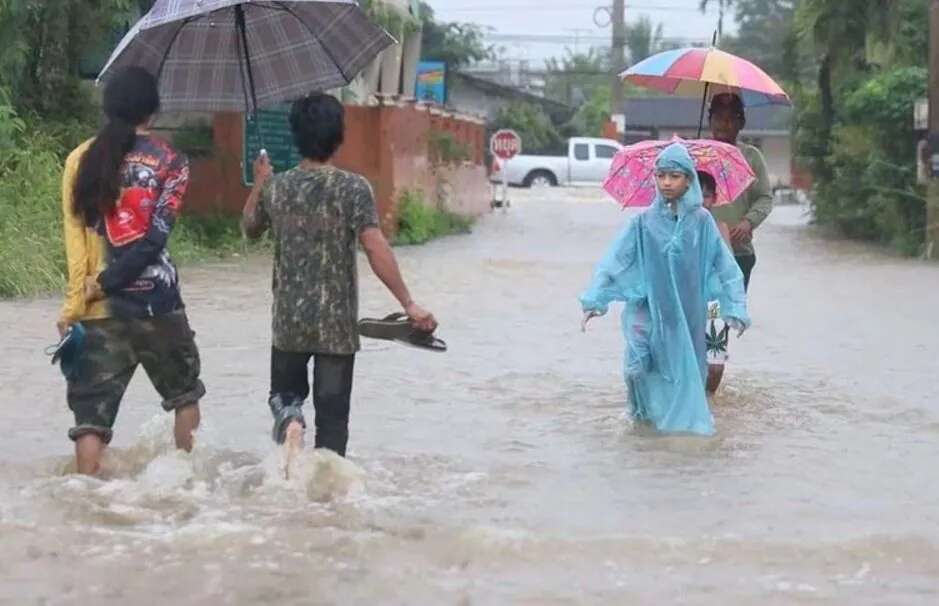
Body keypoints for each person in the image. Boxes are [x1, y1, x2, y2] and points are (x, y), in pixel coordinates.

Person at [241, 93, 438, 458]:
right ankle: (328, 505)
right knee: (333, 424)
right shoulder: (353, 188)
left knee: (284, 399)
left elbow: (249, 228)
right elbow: (376, 247)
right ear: (338, 136)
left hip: (289, 323)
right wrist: (408, 303)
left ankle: (291, 422)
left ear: (297, 136)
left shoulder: (277, 187)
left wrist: (260, 182)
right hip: (336, 328)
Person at [59, 66, 205, 475]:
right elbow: (154, 240)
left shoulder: (79, 160)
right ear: (153, 110)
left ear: (108, 107)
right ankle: (183, 484)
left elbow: (76, 245)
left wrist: (75, 305)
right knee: (185, 396)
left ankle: (84, 498)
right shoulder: (172, 161)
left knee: (90, 419)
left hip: (98, 309)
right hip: (158, 305)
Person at [580, 143, 750, 435]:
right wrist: (595, 300)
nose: (667, 182)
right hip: (647, 308)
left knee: (684, 372)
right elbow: (616, 261)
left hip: (688, 314)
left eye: (674, 176)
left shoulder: (702, 223)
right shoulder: (642, 223)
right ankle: (642, 418)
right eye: (661, 176)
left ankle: (676, 434)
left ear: (688, 180)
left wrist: (735, 308)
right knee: (636, 367)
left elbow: (725, 268)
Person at [707, 92, 773, 291]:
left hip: (739, 253)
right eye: (718, 118)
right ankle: (714, 322)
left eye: (730, 119)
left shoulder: (752, 157)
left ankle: (727, 323)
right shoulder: (698, 155)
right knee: (711, 308)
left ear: (741, 123)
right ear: (709, 121)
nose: (723, 125)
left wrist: (748, 222)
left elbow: (764, 198)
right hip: (704, 250)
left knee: (734, 309)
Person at [698, 170, 732, 395]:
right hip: (683, 303)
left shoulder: (720, 228)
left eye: (707, 195)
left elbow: (730, 272)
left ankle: (709, 402)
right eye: (696, 194)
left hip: (714, 306)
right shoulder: (671, 229)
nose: (701, 201)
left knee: (715, 366)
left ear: (715, 198)